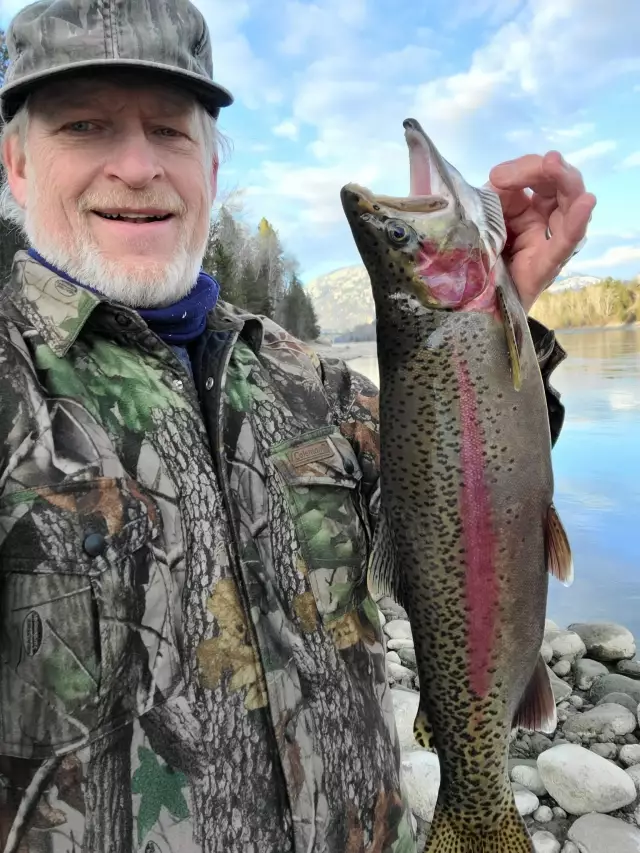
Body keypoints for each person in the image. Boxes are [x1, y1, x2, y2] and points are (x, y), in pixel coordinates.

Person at [0, 1, 595, 852]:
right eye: (86, 126)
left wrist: (497, 318)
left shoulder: (310, 381)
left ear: (212, 161)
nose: (136, 166)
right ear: (17, 164)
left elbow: (470, 509)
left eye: (170, 131)